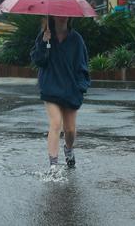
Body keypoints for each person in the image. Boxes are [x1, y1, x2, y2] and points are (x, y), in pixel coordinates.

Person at [31, 16, 90, 170]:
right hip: (50, 87)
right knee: (56, 123)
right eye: (59, 14)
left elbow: (83, 66)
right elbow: (38, 61)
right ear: (53, 16)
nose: (63, 17)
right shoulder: (45, 35)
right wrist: (44, 43)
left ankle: (69, 149)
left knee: (70, 129)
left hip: (71, 89)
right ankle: (53, 166)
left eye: (66, 14)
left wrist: (81, 87)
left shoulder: (76, 39)